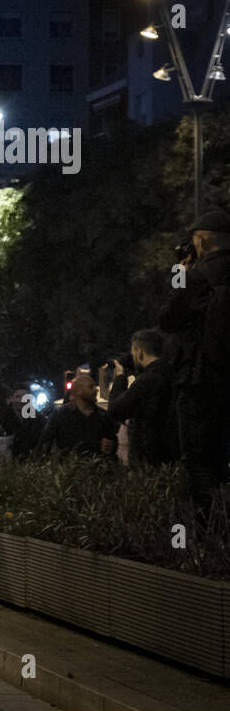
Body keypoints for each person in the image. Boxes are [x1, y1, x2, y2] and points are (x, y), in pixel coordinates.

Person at [159, 209, 230, 509]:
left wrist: (180, 272)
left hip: (201, 382)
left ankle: (208, 533)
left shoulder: (196, 276)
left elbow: (168, 319)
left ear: (201, 241)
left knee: (199, 459)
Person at [106, 329, 179, 467]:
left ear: (139, 351)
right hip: (170, 459)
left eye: (133, 352)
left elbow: (115, 410)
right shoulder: (171, 374)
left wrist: (120, 377)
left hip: (149, 462)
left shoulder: (148, 379)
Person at [36, 372, 117, 459]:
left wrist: (111, 446)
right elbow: (44, 444)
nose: (96, 389)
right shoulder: (61, 415)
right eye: (91, 387)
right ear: (79, 391)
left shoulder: (103, 416)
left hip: (97, 469)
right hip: (71, 470)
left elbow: (112, 441)